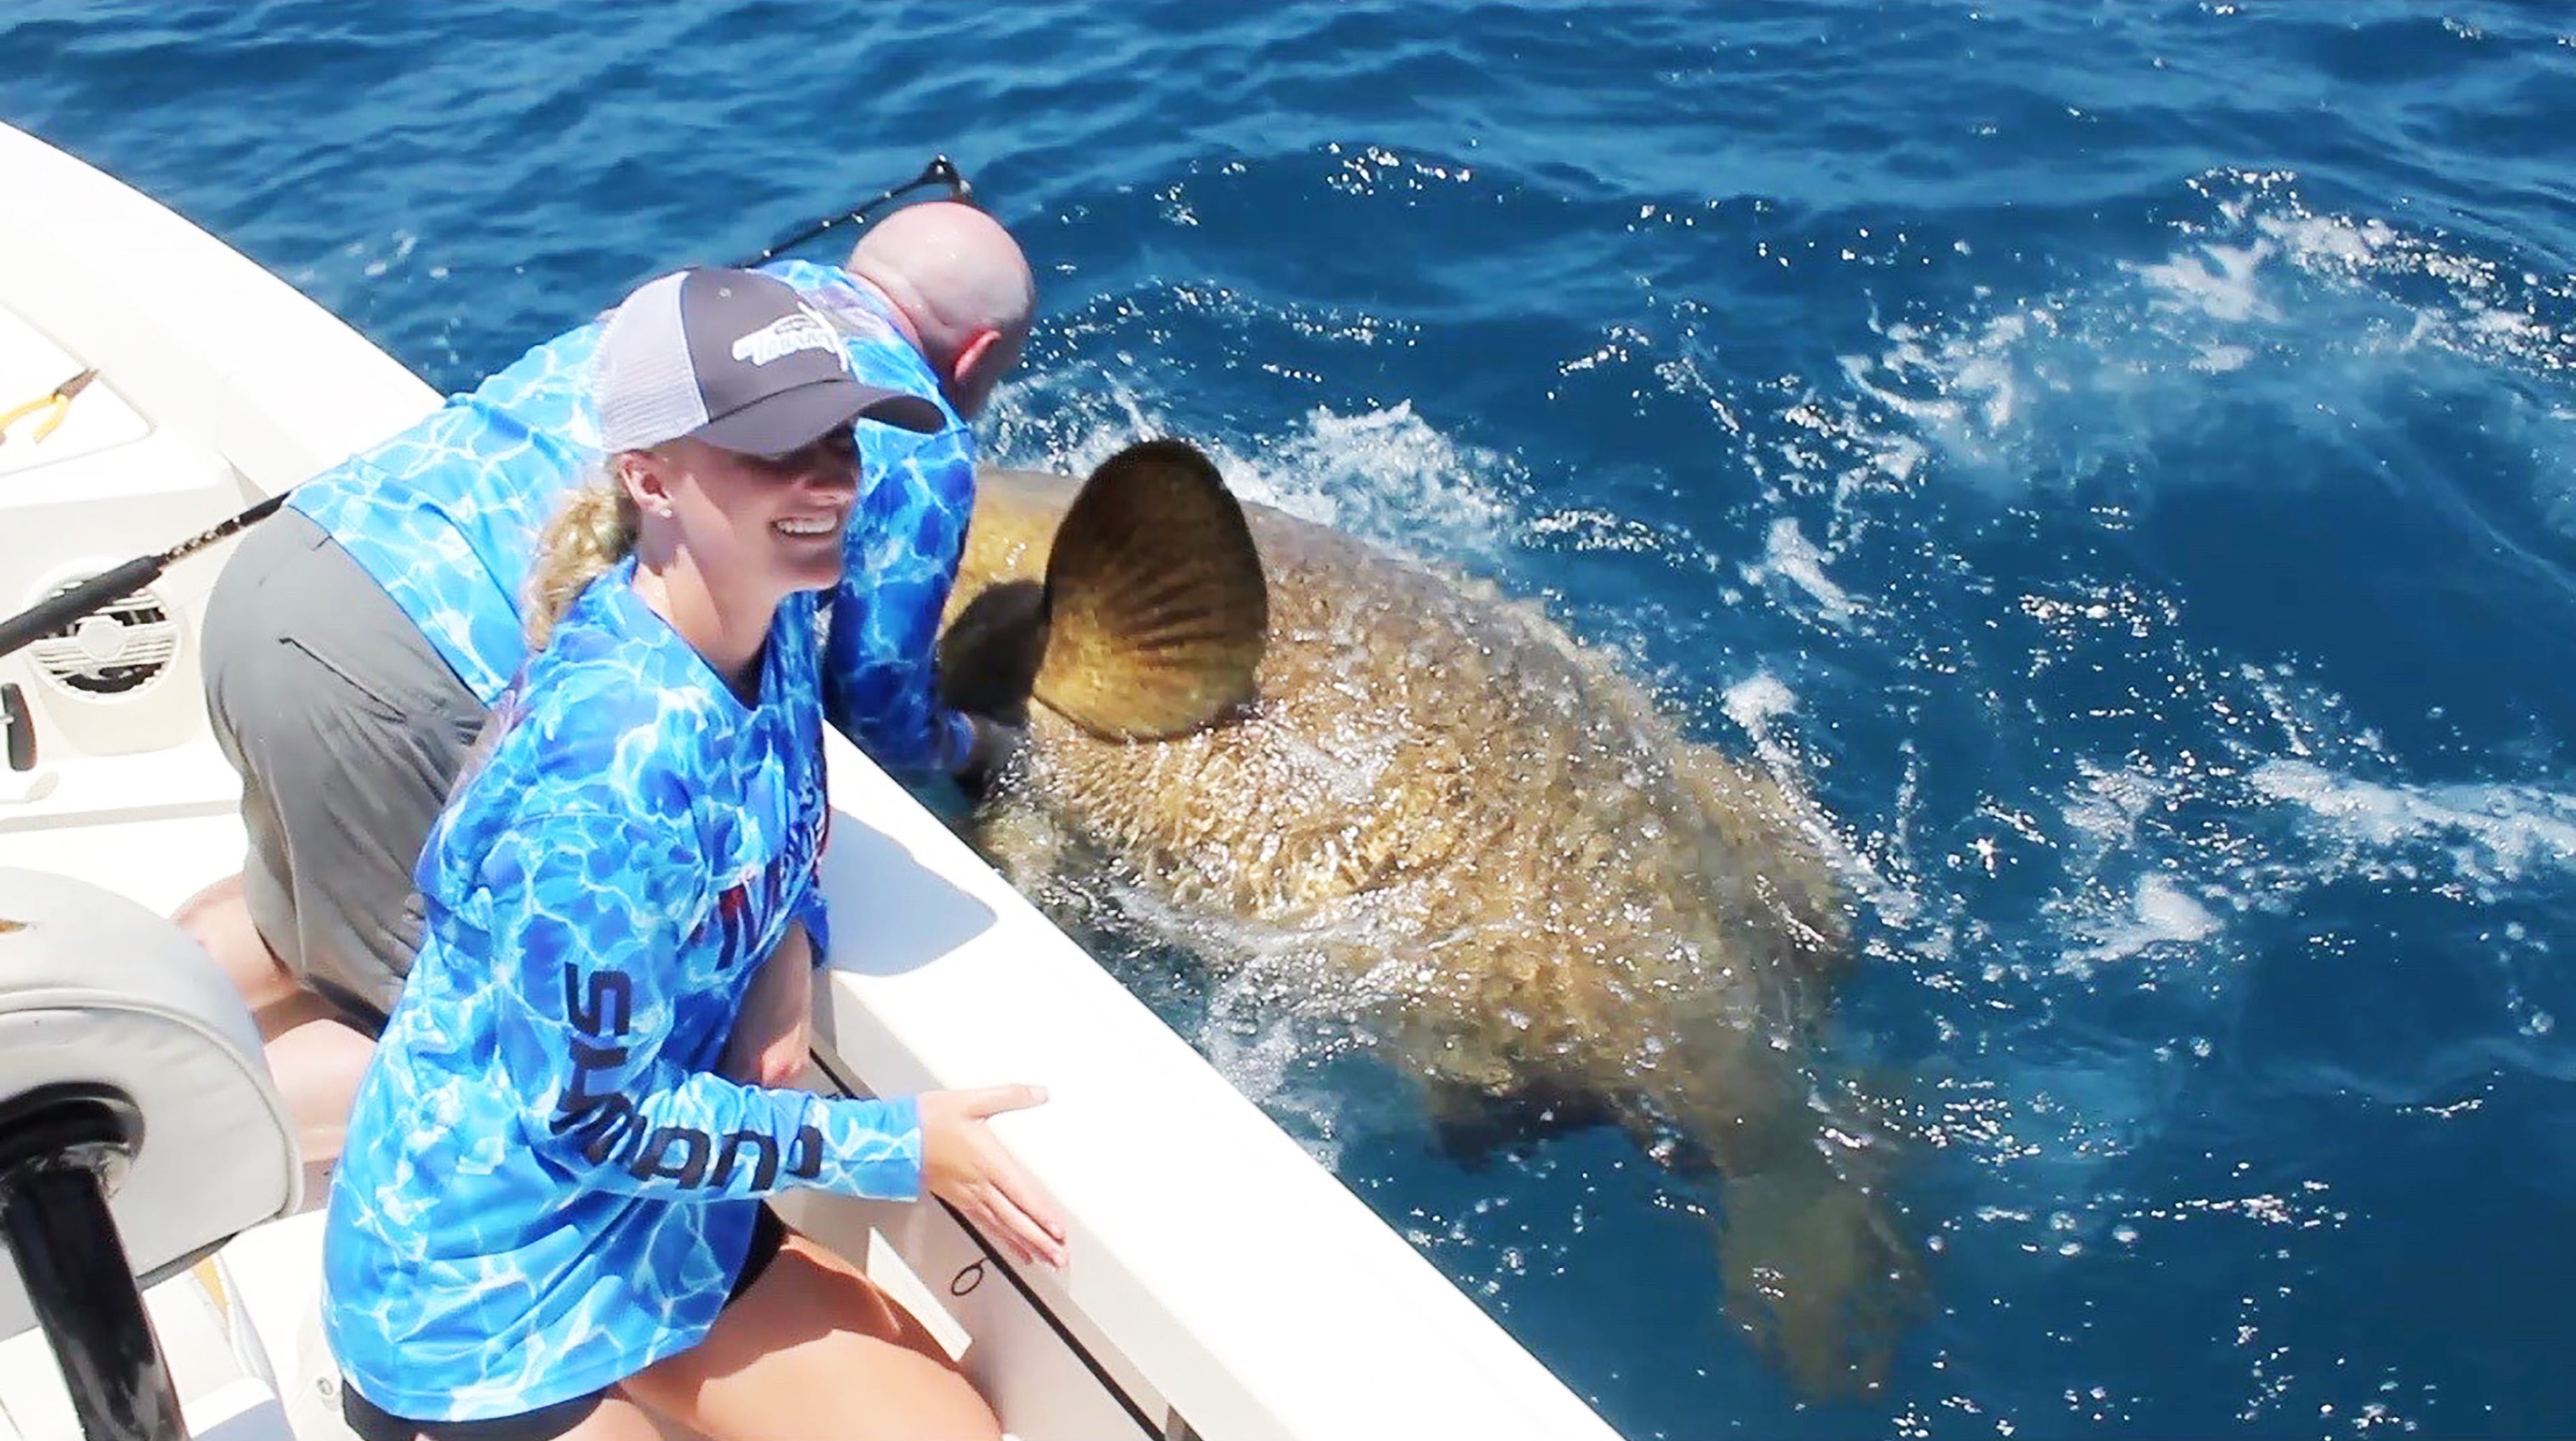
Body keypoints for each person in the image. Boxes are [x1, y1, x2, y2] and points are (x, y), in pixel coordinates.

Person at [323, 266, 1065, 1441]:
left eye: (841, 440)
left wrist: (787, 951)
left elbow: (787, 817)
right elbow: (595, 1122)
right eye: (775, 452)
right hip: (485, 1307)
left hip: (650, 1227)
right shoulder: (605, 770)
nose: (829, 482)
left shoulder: (765, 631)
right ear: (649, 477)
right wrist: (895, 1144)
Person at [178, 199, 1036, 1182]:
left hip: (294, 566)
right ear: (972, 359)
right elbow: (878, 706)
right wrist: (974, 751)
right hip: (417, 678)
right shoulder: (917, 447)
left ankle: (60, 1030)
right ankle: (121, 1142)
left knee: (287, 927)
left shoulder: (713, 320)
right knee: (469, 1054)